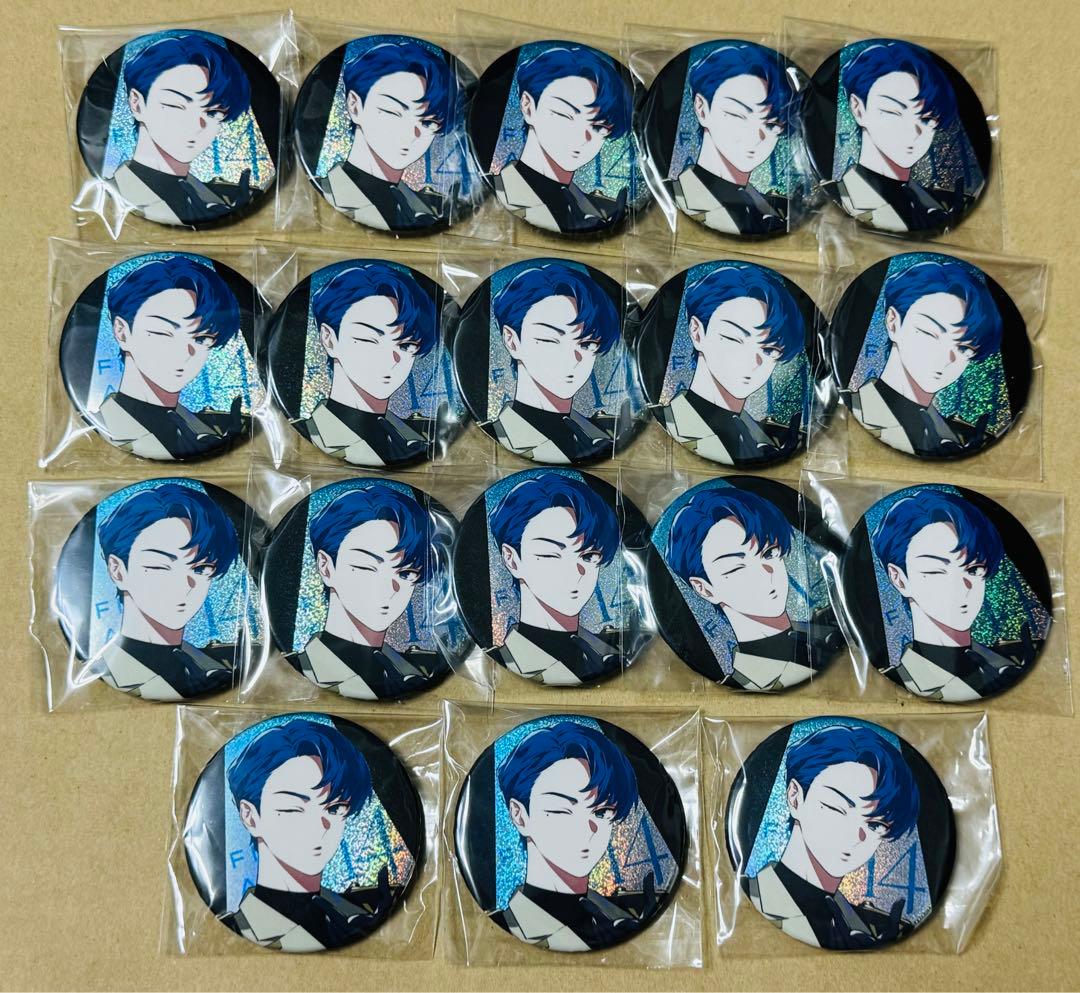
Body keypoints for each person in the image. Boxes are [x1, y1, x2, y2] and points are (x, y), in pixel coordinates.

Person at [224, 718, 396, 951]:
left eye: (334, 808)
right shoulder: (231, 933)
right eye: (293, 808)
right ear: (250, 817)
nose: (320, 826)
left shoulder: (368, 910)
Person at [747, 724, 921, 949]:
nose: (856, 835)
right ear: (795, 798)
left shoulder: (872, 927)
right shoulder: (748, 898)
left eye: (875, 824)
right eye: (837, 808)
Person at [492, 720, 659, 951]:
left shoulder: (626, 918)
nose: (588, 828)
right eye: (561, 810)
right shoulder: (499, 931)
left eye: (601, 812)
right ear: (520, 816)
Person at [665, 487, 840, 690]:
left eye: (769, 553)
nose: (765, 572)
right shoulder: (752, 679)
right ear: (705, 589)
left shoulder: (829, 627)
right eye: (736, 567)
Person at [872, 489, 1027, 700]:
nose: (961, 587)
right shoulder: (895, 683)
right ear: (899, 579)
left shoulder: (1010, 668)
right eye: (936, 571)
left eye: (973, 569)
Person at [92, 482, 238, 699]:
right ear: (118, 571)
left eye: (201, 568)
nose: (185, 584)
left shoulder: (218, 668)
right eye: (160, 566)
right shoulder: (106, 667)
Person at [93, 257, 245, 459]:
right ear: (122, 332)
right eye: (163, 333)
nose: (185, 352)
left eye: (201, 338)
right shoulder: (98, 428)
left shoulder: (217, 428)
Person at [297, 485, 440, 699]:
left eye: (405, 573)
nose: (389, 588)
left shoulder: (420, 671)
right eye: (366, 567)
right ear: (326, 567)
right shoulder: (302, 668)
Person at [852, 259, 1003, 457]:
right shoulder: (844, 411)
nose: (947, 357)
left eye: (963, 347)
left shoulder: (964, 438)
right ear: (893, 323)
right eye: (931, 333)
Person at [659, 265, 805, 464]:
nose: (754, 362)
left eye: (769, 349)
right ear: (697, 332)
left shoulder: (765, 443)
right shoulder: (667, 423)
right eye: (735, 339)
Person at [298, 263, 438, 466]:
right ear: (329, 339)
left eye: (406, 345)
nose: (391, 359)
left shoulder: (420, 437)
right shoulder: (311, 435)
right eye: (369, 339)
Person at [489, 473, 622, 684]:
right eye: (551, 555)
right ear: (512, 560)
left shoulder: (613, 655)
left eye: (588, 556)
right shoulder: (501, 663)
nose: (576, 571)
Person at [488, 262, 626, 463]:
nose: (573, 358)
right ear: (512, 341)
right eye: (550, 340)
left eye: (586, 344)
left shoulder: (606, 435)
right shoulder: (496, 436)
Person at [112, 34, 254, 225]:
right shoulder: (112, 194)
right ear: (137, 104)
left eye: (213, 112)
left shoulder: (227, 198)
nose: (196, 125)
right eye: (176, 105)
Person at [493, 46, 631, 232]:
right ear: (528, 107)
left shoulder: (602, 211)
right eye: (565, 115)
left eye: (599, 126)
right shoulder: (497, 194)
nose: (583, 137)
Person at [836, 41, 967, 232]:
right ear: (858, 109)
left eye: (926, 118)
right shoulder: (839, 199)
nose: (914, 131)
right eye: (893, 112)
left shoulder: (942, 205)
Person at [324, 39, 455, 230]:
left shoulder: (430, 209)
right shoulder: (327, 195)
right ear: (354, 106)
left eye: (427, 122)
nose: (411, 134)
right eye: (393, 112)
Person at [673, 43, 794, 235]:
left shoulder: (778, 211)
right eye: (738, 115)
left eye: (771, 124)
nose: (757, 137)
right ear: (701, 109)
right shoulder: (676, 195)